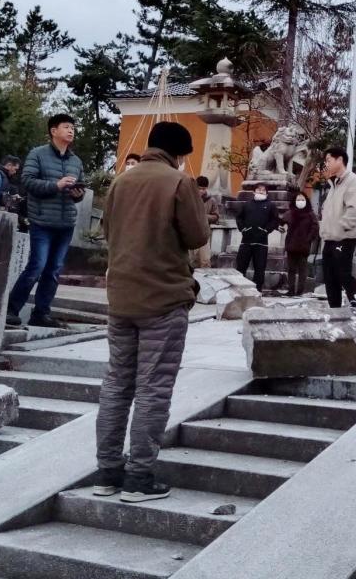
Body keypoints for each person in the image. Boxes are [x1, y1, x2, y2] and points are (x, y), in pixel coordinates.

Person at [94, 121, 208, 503]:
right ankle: (139, 476)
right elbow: (197, 237)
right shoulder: (178, 182)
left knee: (116, 384)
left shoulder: (120, 182)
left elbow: (109, 233)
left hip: (121, 298)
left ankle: (107, 471)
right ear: (179, 153)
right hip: (163, 298)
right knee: (153, 388)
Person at [5, 114, 85, 328]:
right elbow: (28, 182)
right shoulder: (37, 154)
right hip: (41, 220)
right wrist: (56, 185)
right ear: (53, 131)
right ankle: (11, 310)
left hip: (66, 222)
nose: (71, 131)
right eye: (66, 127)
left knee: (54, 270)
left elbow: (80, 192)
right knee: (37, 265)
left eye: (73, 128)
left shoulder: (76, 161)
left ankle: (41, 313)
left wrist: (78, 193)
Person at [320, 147, 356, 308]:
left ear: (340, 160)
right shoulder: (333, 185)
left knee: (343, 273)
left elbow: (355, 210)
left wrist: (341, 228)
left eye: (328, 160)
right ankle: (335, 310)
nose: (326, 164)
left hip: (345, 237)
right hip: (330, 238)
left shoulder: (352, 181)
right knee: (329, 277)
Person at [235, 184, 280, 289]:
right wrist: (243, 229)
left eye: (263, 190)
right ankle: (239, 289)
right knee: (241, 267)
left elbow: (274, 220)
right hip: (246, 241)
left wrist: (266, 230)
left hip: (261, 242)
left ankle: (257, 291)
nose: (261, 191)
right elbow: (239, 218)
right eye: (258, 189)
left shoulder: (271, 205)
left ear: (267, 193)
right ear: (254, 192)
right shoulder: (246, 204)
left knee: (259, 269)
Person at [281, 191, 320, 296]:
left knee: (302, 269)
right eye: (298, 199)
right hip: (291, 245)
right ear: (294, 201)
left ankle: (300, 290)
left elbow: (315, 227)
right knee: (291, 269)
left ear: (306, 201)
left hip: (304, 246)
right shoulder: (290, 213)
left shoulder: (310, 214)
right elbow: (281, 222)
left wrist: (308, 239)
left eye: (302, 199)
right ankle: (291, 290)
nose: (300, 201)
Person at [191, 176, 220, 268]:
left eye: (204, 189)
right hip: (189, 233)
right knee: (190, 261)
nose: (202, 191)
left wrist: (204, 217)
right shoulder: (189, 199)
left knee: (205, 261)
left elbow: (216, 216)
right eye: (199, 188)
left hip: (204, 234)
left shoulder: (211, 200)